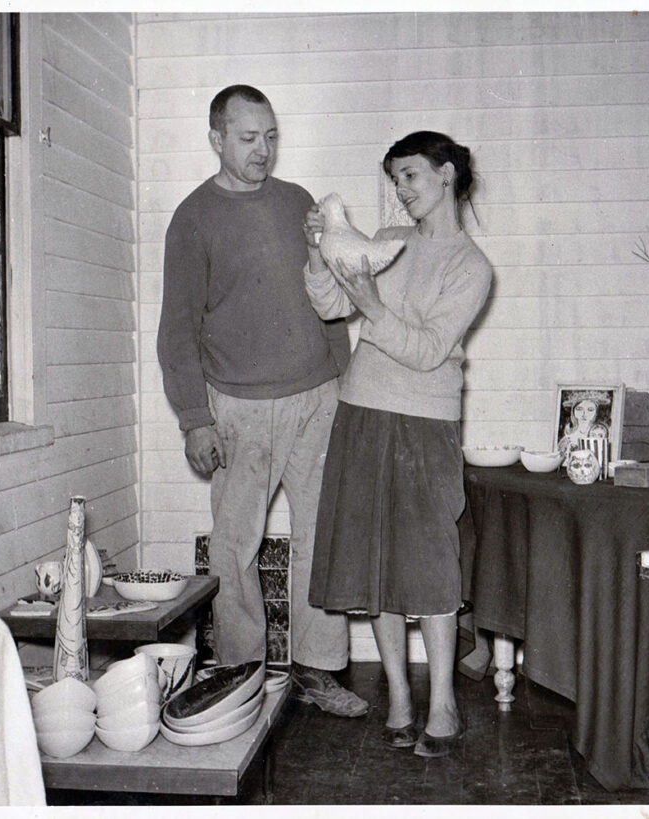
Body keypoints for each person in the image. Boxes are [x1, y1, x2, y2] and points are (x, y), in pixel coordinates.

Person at [157, 85, 367, 718]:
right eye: (249, 138)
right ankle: (243, 672)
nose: (263, 151)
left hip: (317, 399)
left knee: (319, 536)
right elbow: (177, 332)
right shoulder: (193, 219)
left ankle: (317, 669)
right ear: (217, 138)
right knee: (234, 546)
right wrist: (196, 420)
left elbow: (327, 302)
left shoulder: (299, 202)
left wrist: (348, 388)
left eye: (271, 136)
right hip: (238, 408)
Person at [304, 131, 492, 757]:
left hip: (426, 423)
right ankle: (400, 700)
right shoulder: (387, 242)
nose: (401, 191)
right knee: (375, 564)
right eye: (395, 180)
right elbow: (332, 304)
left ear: (445, 175)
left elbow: (428, 350)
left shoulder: (471, 267)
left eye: (410, 176)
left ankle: (442, 706)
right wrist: (318, 253)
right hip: (361, 411)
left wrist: (373, 305)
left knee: (432, 569)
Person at [557, 391, 611, 462]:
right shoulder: (568, 436)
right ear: (573, 411)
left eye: (590, 410)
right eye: (579, 409)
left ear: (596, 412)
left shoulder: (599, 432)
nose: (584, 414)